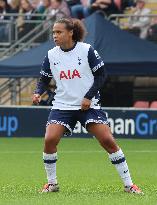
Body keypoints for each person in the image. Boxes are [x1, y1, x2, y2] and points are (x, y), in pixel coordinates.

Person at [32, 17, 143, 194]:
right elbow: (44, 78)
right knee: (49, 140)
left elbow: (101, 75)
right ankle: (52, 183)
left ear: (71, 33)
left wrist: (88, 97)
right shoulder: (51, 55)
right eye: (53, 32)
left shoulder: (87, 50)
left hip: (88, 105)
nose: (55, 35)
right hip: (62, 105)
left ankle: (129, 185)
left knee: (108, 141)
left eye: (59, 32)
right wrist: (38, 92)